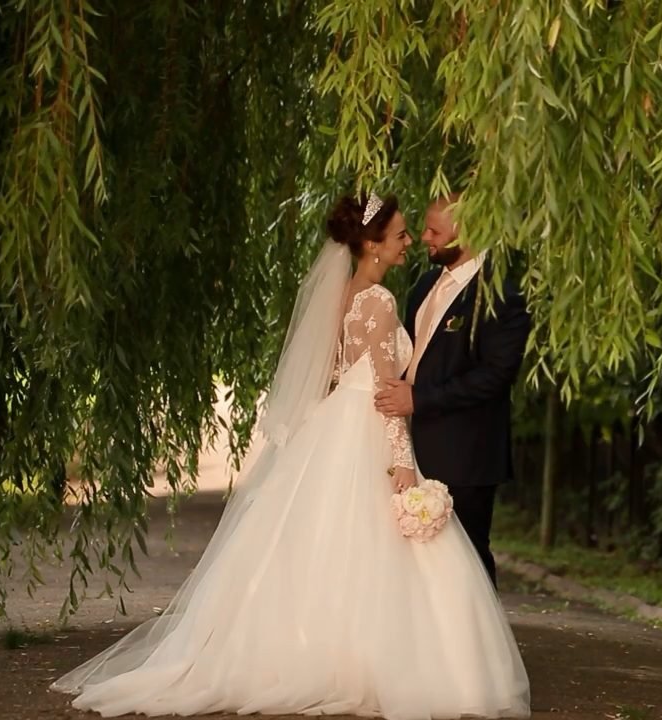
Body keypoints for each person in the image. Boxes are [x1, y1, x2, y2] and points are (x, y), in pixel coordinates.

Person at [50, 193, 531, 720]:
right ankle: (399, 663)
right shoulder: (386, 299)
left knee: (331, 548)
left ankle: (319, 652)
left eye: (426, 232)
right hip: (372, 431)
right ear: (371, 243)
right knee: (383, 554)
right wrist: (401, 466)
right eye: (402, 235)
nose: (414, 241)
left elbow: (347, 377)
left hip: (354, 429)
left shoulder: (352, 294)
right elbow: (385, 394)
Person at [375, 193, 530, 587]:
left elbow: (494, 376)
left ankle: (478, 647)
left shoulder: (501, 296)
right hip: (414, 447)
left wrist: (419, 398)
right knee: (419, 565)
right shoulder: (424, 285)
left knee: (467, 562)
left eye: (434, 231)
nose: (424, 237)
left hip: (467, 452)